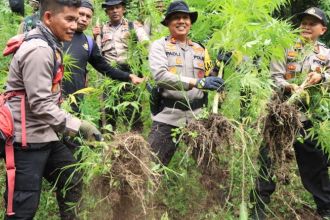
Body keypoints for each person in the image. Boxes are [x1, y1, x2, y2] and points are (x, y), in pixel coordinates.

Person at [3, 0, 102, 219]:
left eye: (76, 20)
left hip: (45, 135)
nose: (75, 26)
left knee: (72, 178)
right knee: (24, 204)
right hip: (26, 141)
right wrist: (79, 126)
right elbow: (40, 104)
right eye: (69, 19)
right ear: (48, 18)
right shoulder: (39, 50)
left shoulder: (50, 44)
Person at [250, 7, 330, 220]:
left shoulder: (326, 54)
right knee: (269, 161)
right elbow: (274, 77)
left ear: (322, 29)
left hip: (310, 119)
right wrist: (289, 87)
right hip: (281, 113)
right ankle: (258, 208)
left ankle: (326, 209)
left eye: (312, 23)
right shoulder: (284, 47)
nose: (305, 26)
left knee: (315, 166)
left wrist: (321, 79)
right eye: (303, 22)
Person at [147, 0, 224, 165]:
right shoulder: (160, 46)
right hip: (168, 116)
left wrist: (220, 65)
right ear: (168, 22)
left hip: (198, 117)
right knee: (150, 168)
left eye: (185, 17)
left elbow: (209, 77)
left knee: (211, 171)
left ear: (190, 22)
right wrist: (198, 83)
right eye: (176, 18)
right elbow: (161, 76)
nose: (181, 21)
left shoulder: (200, 49)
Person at [62, 0, 143, 114]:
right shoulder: (57, 35)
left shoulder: (88, 42)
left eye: (88, 16)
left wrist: (129, 76)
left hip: (76, 100)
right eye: (81, 14)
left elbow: (104, 67)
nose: (84, 19)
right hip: (53, 98)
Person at [92, 0, 149, 131]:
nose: (115, 11)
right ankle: (108, 141)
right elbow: (96, 54)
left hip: (130, 71)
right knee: (108, 110)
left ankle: (135, 141)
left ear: (123, 9)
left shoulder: (133, 26)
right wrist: (94, 36)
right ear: (106, 12)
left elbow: (146, 45)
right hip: (109, 74)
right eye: (111, 8)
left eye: (117, 7)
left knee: (132, 110)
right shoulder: (100, 29)